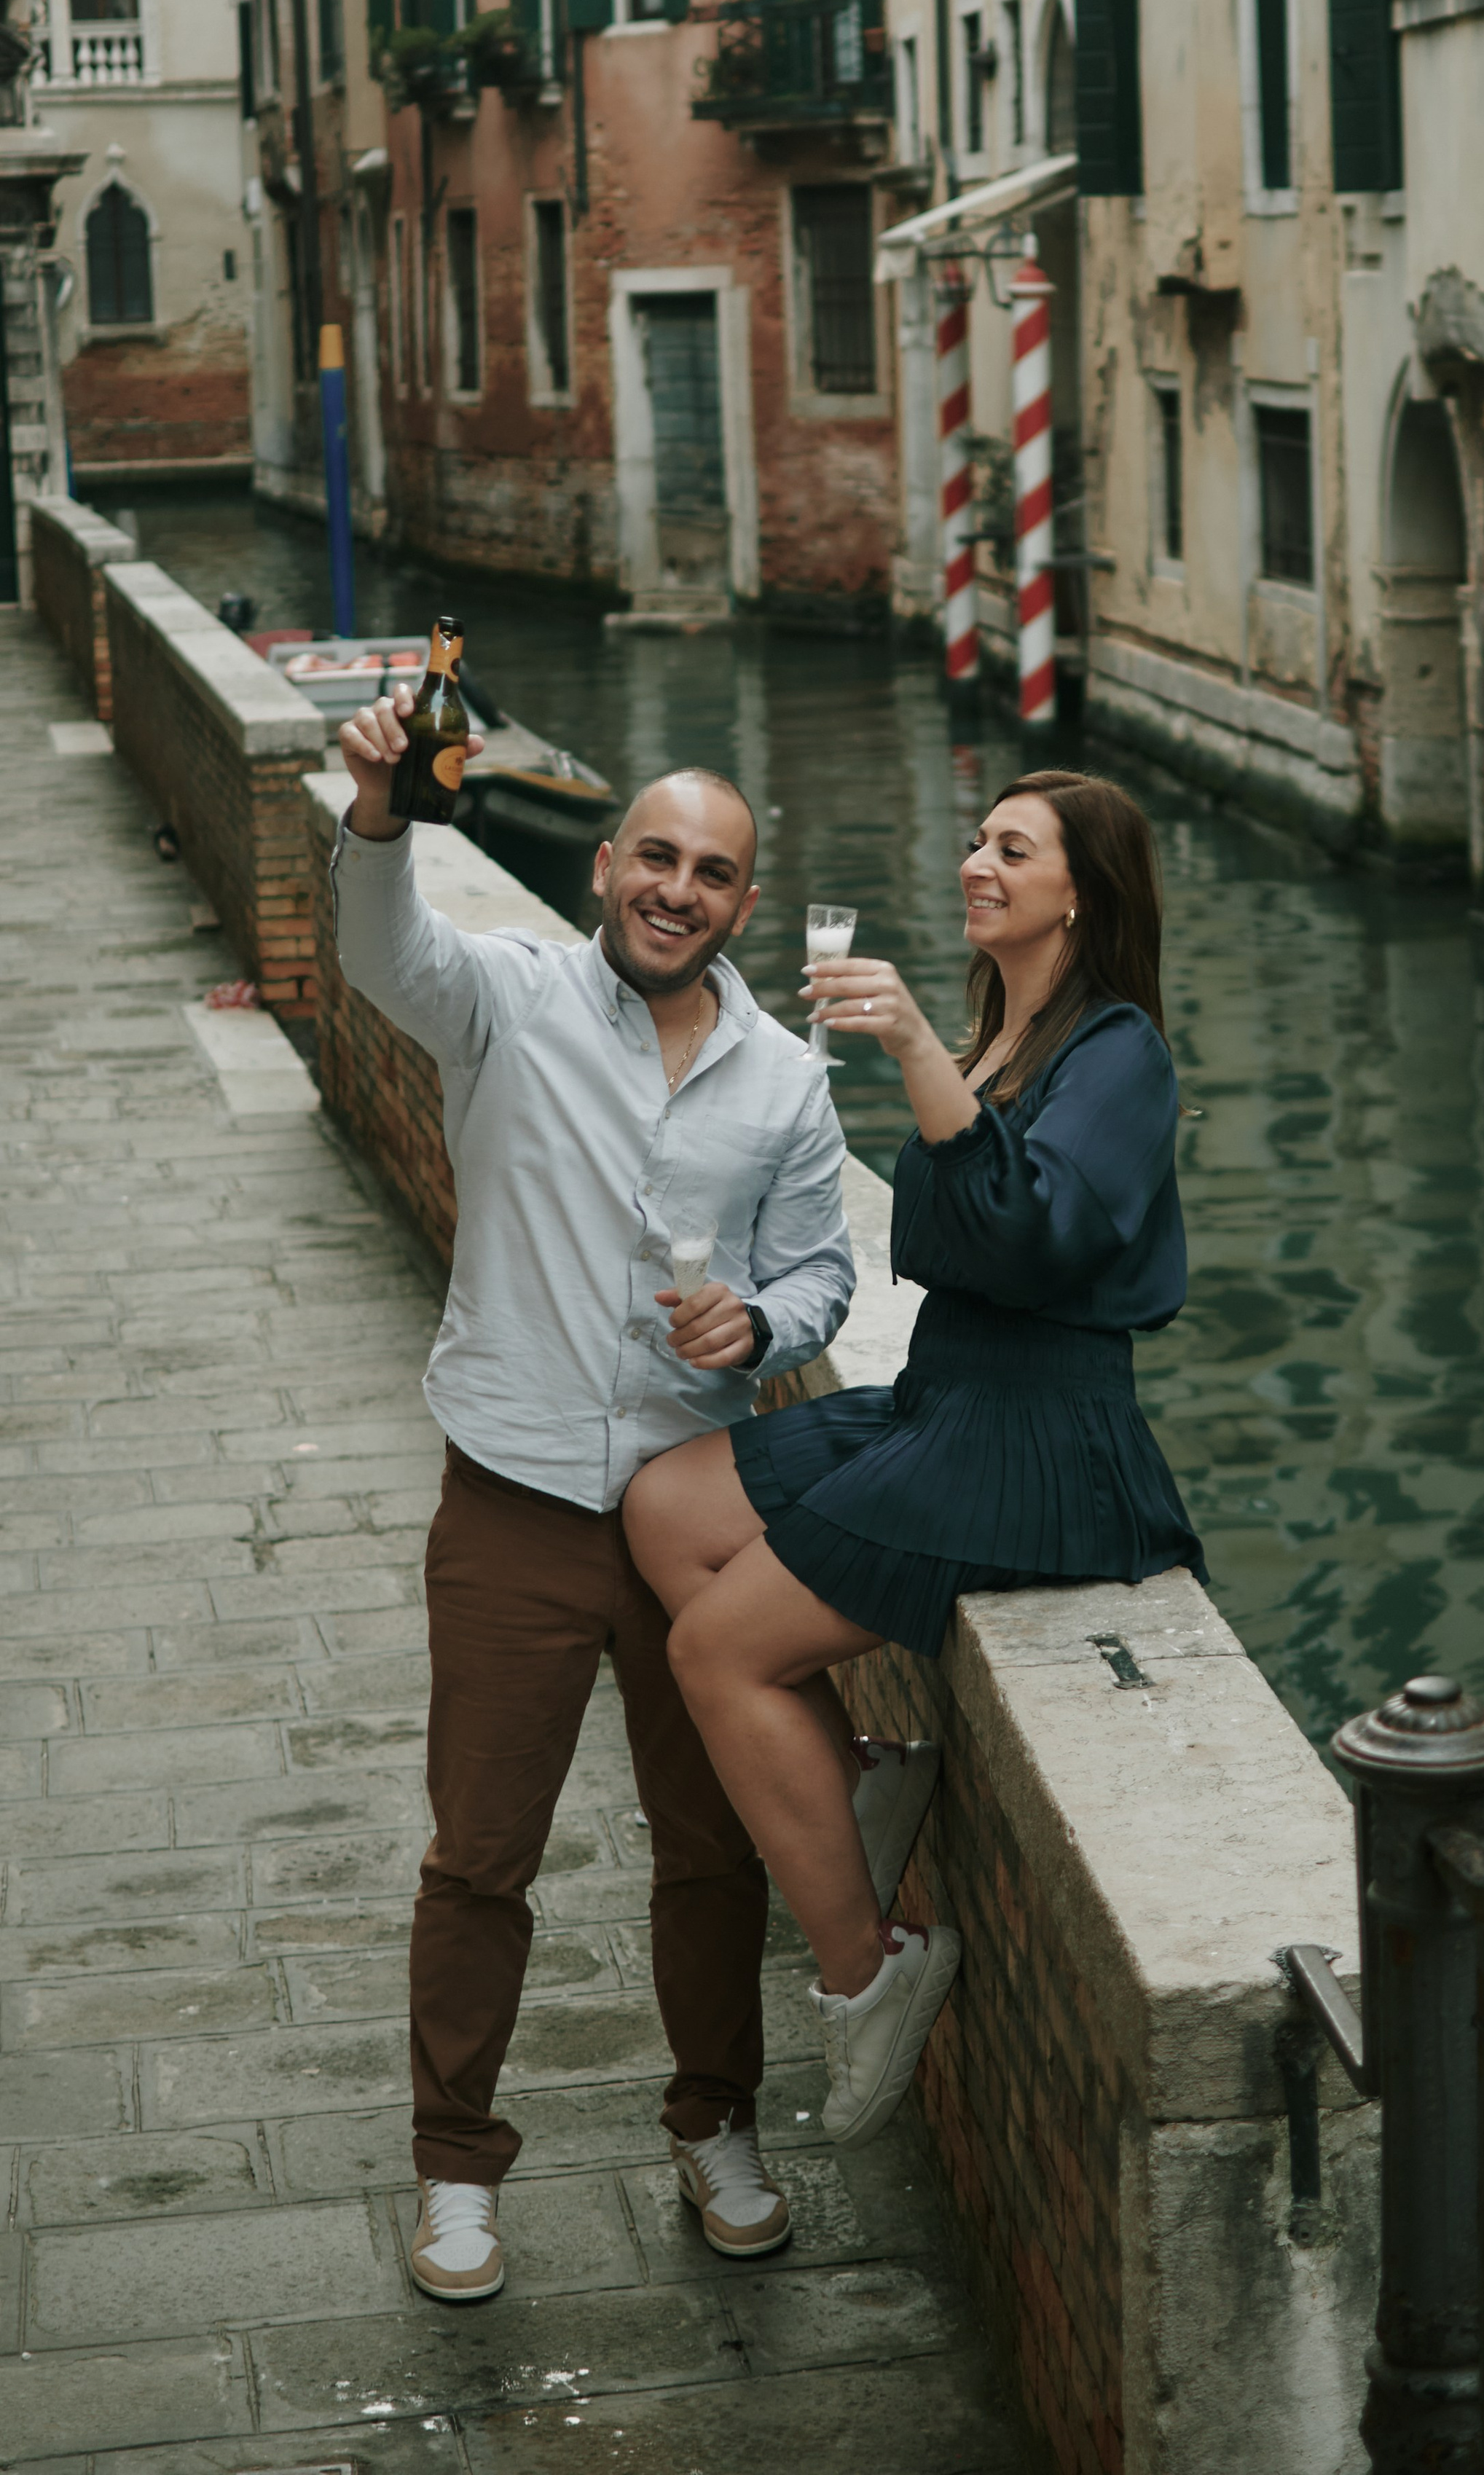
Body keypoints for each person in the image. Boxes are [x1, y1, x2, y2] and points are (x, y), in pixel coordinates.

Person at [331, 691, 859, 2302]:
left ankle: (716, 2128)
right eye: (655, 857)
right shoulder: (502, 1000)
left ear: (743, 904)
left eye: (711, 872)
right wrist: (380, 811)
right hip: (512, 1499)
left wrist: (762, 1325)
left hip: (692, 1521)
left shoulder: (786, 1081)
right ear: (604, 868)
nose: (676, 890)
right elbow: (378, 946)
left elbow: (824, 1270)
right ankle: (455, 2166)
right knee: (480, 1852)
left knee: (710, 1851)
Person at [624, 769, 1204, 2151]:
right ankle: (867, 1776)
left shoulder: (1120, 1051)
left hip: (1039, 1439)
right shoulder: (1008, 1031)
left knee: (717, 1651)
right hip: (946, 1396)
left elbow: (1033, 1238)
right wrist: (943, 1056)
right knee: (665, 1505)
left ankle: (870, 1970)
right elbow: (939, 1242)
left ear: (1084, 893)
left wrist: (916, 1049)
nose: (976, 863)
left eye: (1015, 849)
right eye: (977, 839)